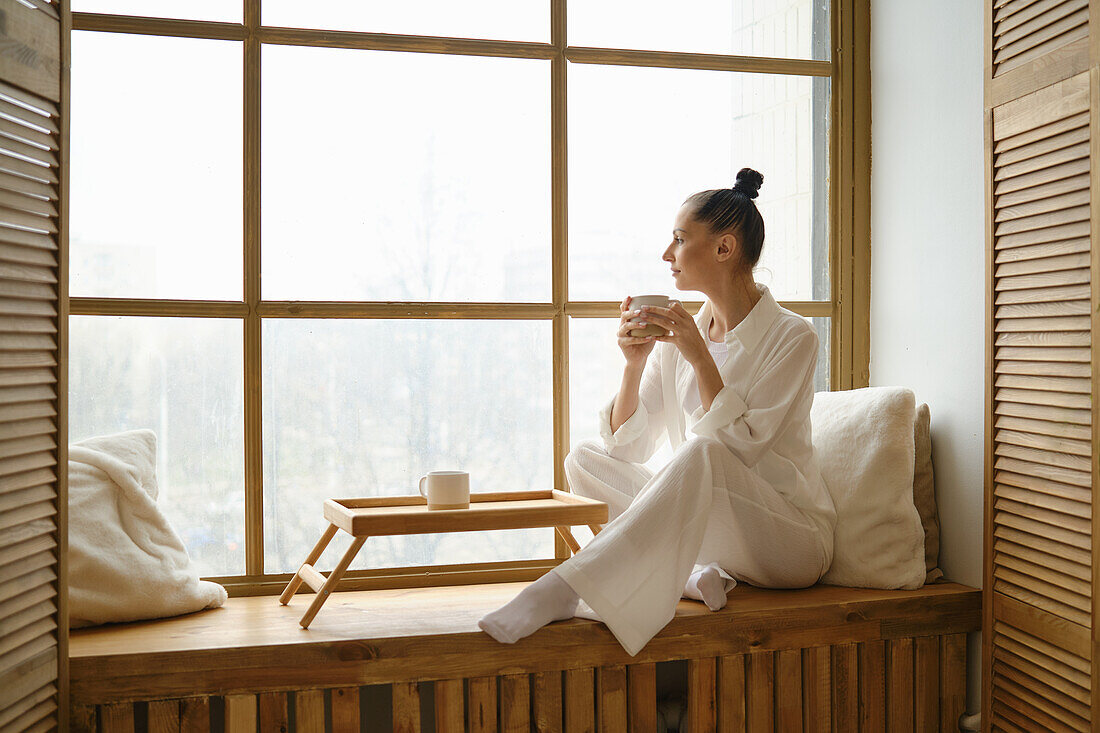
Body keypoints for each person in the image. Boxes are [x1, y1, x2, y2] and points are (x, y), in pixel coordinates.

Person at [478, 168, 837, 656]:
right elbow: (628, 446)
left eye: (679, 239)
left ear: (724, 249)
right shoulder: (682, 334)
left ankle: (570, 586)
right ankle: (692, 576)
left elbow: (743, 448)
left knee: (702, 452)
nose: (667, 255)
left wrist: (699, 355)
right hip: (716, 536)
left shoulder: (793, 337)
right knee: (583, 459)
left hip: (788, 542)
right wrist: (634, 364)